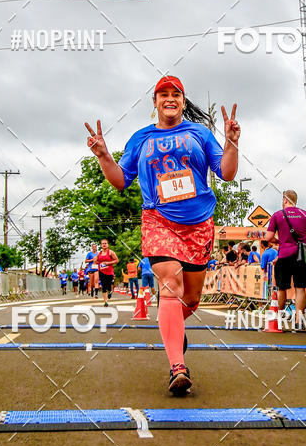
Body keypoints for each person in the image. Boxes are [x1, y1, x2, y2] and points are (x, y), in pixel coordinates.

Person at [85, 75, 240, 394]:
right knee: (170, 285)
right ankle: (178, 367)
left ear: (183, 101)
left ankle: (173, 326)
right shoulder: (141, 138)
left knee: (191, 299)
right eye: (163, 94)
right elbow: (120, 180)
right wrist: (103, 156)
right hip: (159, 221)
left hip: (199, 223)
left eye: (176, 94)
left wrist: (231, 142)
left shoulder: (199, 133)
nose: (170, 98)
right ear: (154, 102)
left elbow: (226, 173)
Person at [263, 190, 306, 324]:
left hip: (284, 255)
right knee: (300, 288)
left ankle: (279, 319)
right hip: (302, 256)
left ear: (285, 200)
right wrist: (305, 239)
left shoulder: (277, 215)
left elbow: (268, 237)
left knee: (282, 288)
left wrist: (280, 241)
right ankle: (299, 320)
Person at [97, 238, 118, 304]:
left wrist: (108, 263)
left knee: (109, 285)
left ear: (108, 244)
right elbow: (97, 261)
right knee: (104, 286)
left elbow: (116, 260)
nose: (104, 245)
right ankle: (105, 301)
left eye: (105, 243)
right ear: (101, 245)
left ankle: (110, 291)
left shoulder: (111, 252)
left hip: (109, 272)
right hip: (101, 271)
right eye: (103, 243)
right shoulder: (99, 253)